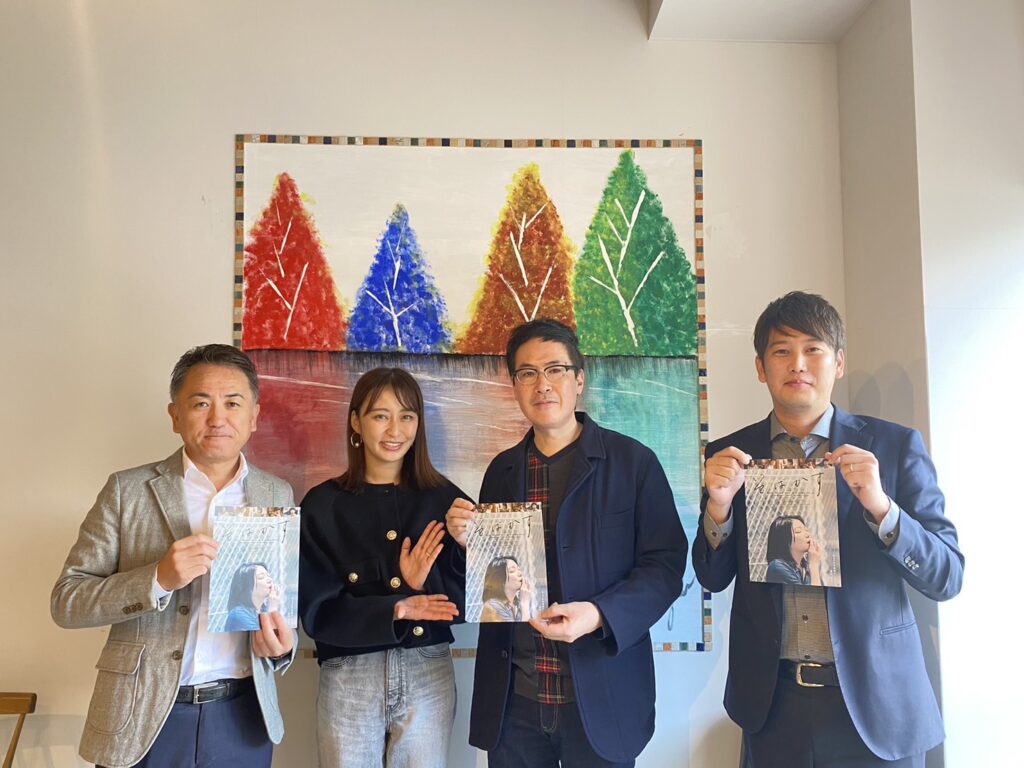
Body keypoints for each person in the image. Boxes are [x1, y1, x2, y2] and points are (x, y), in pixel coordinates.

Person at [692, 291, 964, 767]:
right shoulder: (732, 455)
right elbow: (711, 578)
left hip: (877, 705)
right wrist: (718, 509)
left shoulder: (894, 447)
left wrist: (882, 508)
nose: (797, 364)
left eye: (813, 349)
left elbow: (947, 576)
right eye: (781, 351)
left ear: (838, 363)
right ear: (760, 367)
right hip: (774, 708)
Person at [446, 319, 688, 767]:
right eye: (527, 373)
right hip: (515, 703)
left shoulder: (633, 463)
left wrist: (599, 614)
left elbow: (665, 567)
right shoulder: (501, 472)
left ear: (579, 379)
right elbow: (495, 586)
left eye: (555, 369)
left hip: (602, 697)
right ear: (515, 386)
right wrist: (468, 545)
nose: (543, 385)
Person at [51, 344, 296, 768]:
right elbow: (66, 602)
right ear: (175, 416)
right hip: (142, 714)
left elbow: (279, 603)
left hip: (242, 715)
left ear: (254, 416)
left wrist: (280, 647)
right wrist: (157, 579)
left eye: (233, 403)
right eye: (201, 403)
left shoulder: (277, 493)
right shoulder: (127, 490)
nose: (217, 418)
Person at [299, 367, 468, 768]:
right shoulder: (321, 505)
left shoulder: (446, 500)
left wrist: (437, 570)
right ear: (356, 422)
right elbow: (316, 612)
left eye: (407, 416)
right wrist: (399, 604)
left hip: (428, 668)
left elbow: (474, 601)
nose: (395, 430)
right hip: (349, 673)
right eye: (380, 416)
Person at [763, 516, 822, 586]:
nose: (807, 535)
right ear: (784, 540)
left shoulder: (805, 565)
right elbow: (812, 593)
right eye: (798, 531)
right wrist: (814, 564)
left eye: (806, 530)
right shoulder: (777, 566)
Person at [224, 563, 280, 631]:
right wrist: (273, 609)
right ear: (247, 587)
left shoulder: (263, 609)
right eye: (261, 577)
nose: (270, 580)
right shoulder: (238, 615)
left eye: (268, 576)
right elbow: (269, 635)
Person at [479, 556, 531, 622]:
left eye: (519, 570)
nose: (520, 574)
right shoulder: (492, 606)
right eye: (512, 571)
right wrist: (525, 603)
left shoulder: (517, 603)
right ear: (499, 579)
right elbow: (522, 628)